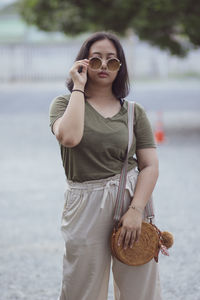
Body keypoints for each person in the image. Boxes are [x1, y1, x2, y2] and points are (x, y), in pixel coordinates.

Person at [49, 31, 162, 300]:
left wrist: (136, 210)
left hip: (130, 197)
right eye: (95, 59)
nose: (103, 66)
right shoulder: (63, 104)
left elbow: (150, 166)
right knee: (82, 286)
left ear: (120, 67)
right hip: (85, 202)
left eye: (112, 61)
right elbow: (70, 137)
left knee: (139, 286)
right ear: (82, 63)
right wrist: (78, 86)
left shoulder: (134, 111)